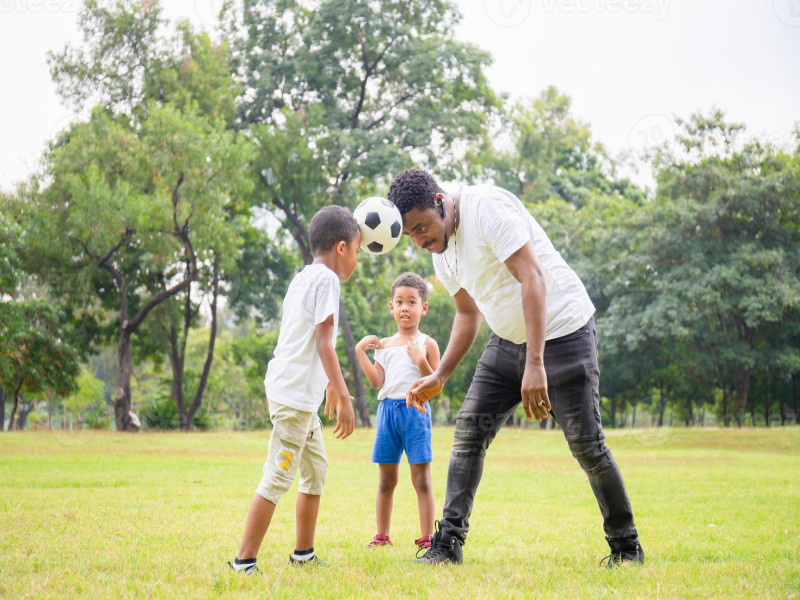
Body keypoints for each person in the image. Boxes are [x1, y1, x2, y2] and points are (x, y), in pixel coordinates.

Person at [387, 168, 644, 567]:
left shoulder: (486, 207)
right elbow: (468, 315)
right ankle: (448, 544)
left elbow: (533, 278)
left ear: (440, 202)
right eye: (412, 236)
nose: (420, 240)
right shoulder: (442, 253)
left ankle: (627, 548)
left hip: (564, 331)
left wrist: (536, 363)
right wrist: (440, 375)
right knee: (469, 432)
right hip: (508, 341)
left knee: (587, 446)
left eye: (422, 227)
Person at [229, 205, 359, 575]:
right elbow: (323, 341)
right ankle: (244, 561)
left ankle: (303, 553)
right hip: (294, 401)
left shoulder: (303, 277)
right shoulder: (328, 281)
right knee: (278, 475)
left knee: (316, 468)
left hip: (297, 395)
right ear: (341, 247)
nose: (357, 258)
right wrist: (344, 394)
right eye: (357, 250)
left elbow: (307, 339)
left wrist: (329, 387)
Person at [355, 272, 441, 554]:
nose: (405, 307)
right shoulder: (384, 346)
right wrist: (360, 352)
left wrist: (420, 360)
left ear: (423, 308)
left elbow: (436, 384)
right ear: (391, 307)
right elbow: (376, 382)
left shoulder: (427, 344)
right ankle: (382, 535)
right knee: (386, 479)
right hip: (388, 413)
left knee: (422, 479)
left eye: (412, 302)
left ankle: (428, 537)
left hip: (415, 411)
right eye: (399, 302)